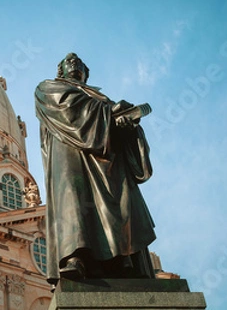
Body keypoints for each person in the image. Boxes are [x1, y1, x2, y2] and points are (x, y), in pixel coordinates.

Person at [35, 53, 156, 284]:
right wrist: (109, 114)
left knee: (119, 203)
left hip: (108, 161)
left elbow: (119, 129)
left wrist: (126, 125)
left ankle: (122, 260)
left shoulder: (101, 99)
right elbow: (67, 109)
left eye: (79, 63)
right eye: (69, 62)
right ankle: (75, 257)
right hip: (70, 154)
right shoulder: (48, 87)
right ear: (60, 70)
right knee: (74, 201)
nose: (74, 64)